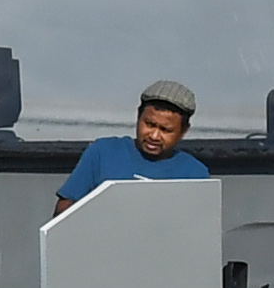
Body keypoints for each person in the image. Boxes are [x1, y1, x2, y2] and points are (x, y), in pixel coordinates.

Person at [55, 79, 206, 214]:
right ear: (138, 117)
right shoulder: (102, 152)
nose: (154, 136)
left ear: (183, 131)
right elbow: (64, 209)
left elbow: (201, 228)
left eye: (165, 130)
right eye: (149, 124)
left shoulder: (195, 173)